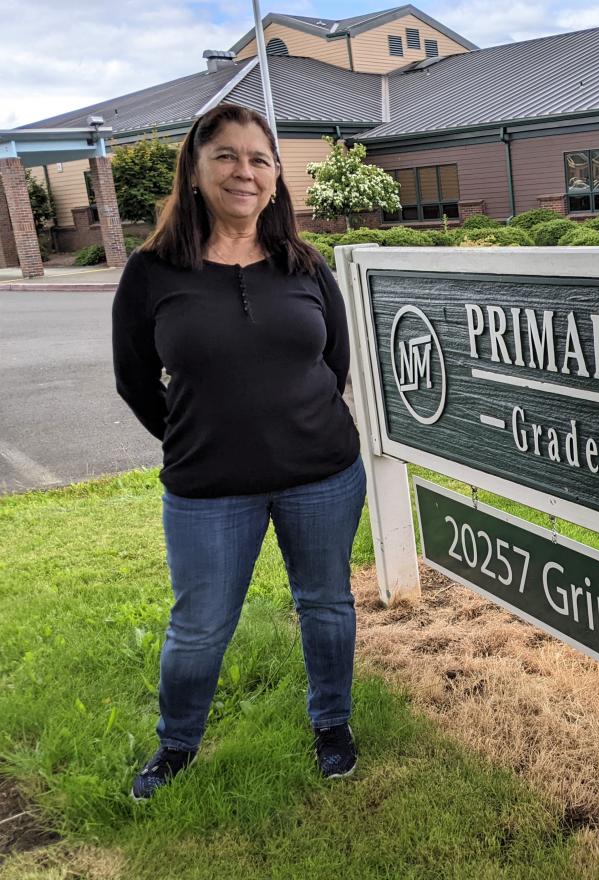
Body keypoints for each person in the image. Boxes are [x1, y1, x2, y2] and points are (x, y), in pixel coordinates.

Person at [111, 103, 365, 801]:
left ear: (277, 178)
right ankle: (177, 745)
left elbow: (335, 363)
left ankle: (333, 727)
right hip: (207, 488)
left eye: (259, 158)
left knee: (326, 604)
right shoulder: (152, 272)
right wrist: (198, 437)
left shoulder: (303, 264)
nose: (243, 171)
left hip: (323, 475)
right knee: (198, 626)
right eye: (225, 155)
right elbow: (134, 379)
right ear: (194, 171)